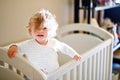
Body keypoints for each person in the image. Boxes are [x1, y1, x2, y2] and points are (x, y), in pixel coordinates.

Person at [7, 9, 81, 75]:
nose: (40, 31)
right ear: (30, 31)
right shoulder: (28, 44)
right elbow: (18, 47)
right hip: (35, 76)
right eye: (36, 28)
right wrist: (13, 47)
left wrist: (74, 54)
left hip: (54, 75)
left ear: (51, 30)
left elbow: (65, 48)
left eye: (44, 28)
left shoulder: (54, 43)